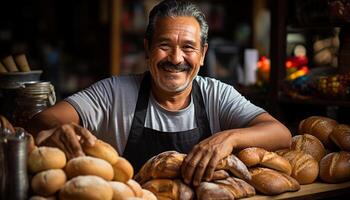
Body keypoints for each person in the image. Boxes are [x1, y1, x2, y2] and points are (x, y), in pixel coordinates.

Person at [27, 0, 292, 187]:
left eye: (188, 47)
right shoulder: (114, 92)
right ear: (148, 48)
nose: (176, 58)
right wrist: (58, 131)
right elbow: (42, 121)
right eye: (165, 45)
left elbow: (281, 135)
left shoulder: (216, 95)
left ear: (203, 54)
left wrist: (229, 138)